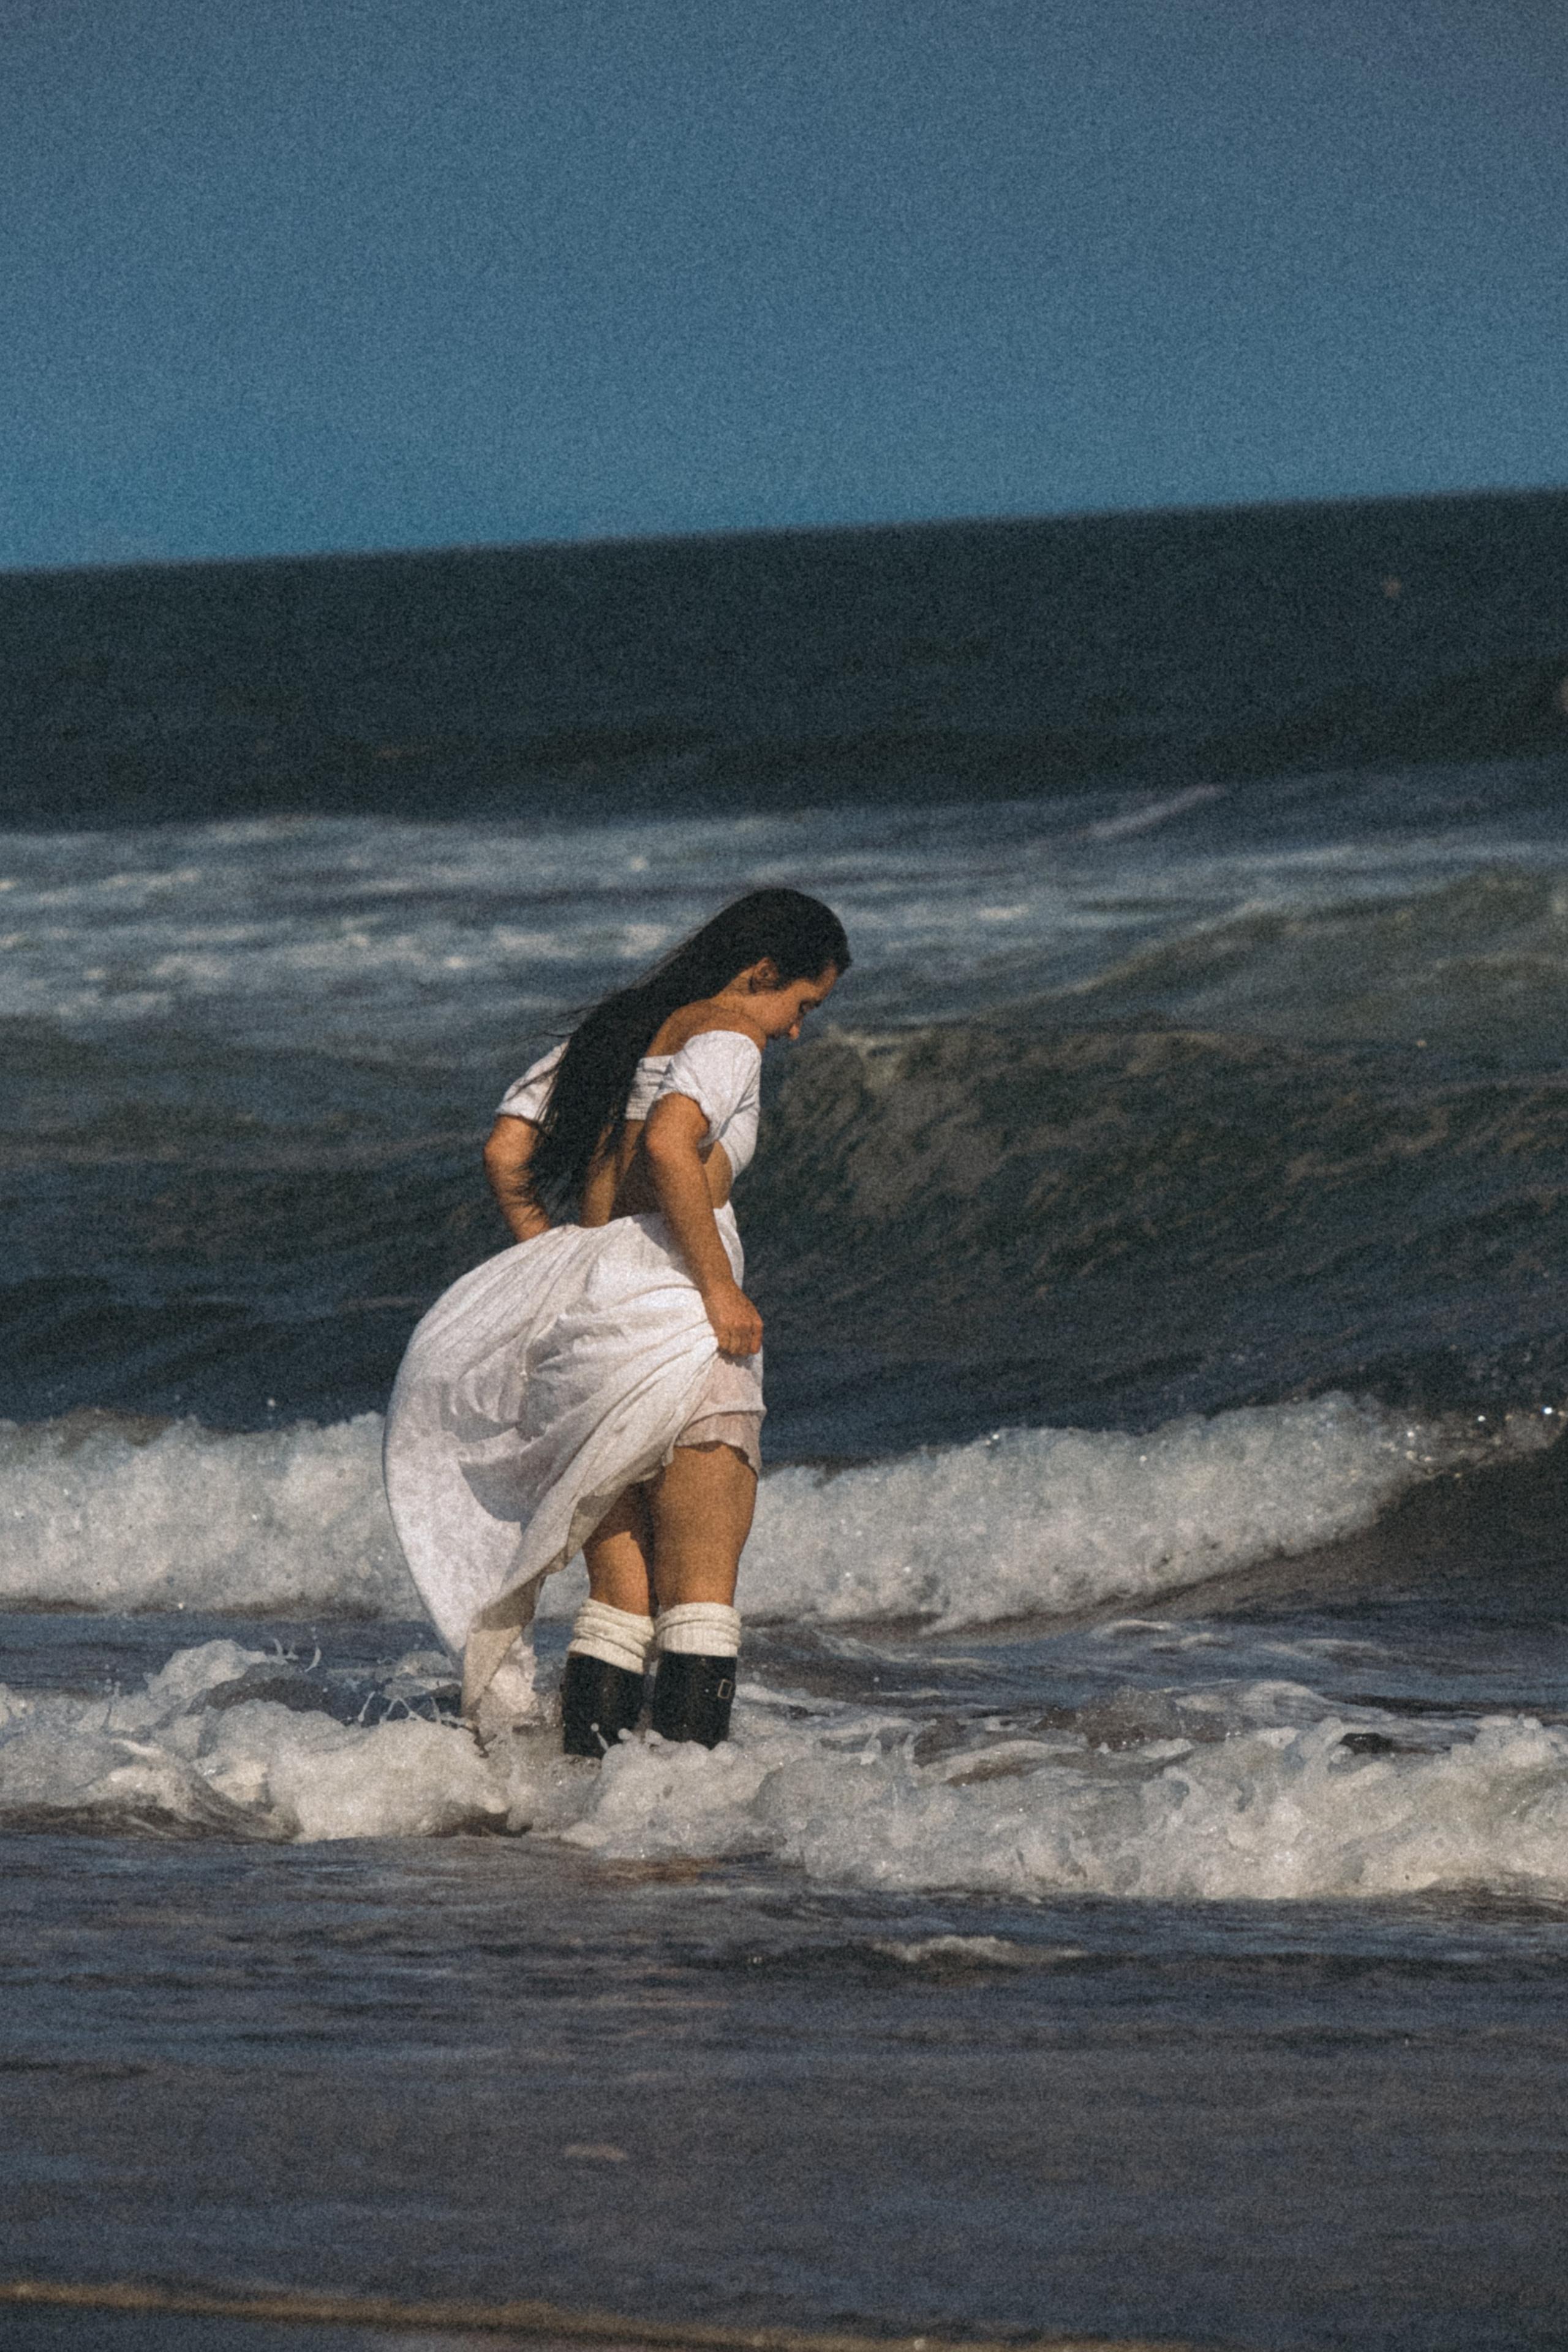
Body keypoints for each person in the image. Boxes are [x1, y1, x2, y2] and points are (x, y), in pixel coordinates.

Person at [383, 889, 850, 1755]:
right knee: (701, 1597)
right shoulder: (728, 1034)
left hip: (586, 1334)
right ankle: (674, 1835)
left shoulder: (615, 1034)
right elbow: (675, 1145)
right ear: (761, 974)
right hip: (676, 1325)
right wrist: (719, 1290)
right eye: (802, 1005)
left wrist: (556, 1256)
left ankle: (582, 1815)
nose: (793, 1031)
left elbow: (506, 1150)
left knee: (619, 1600)